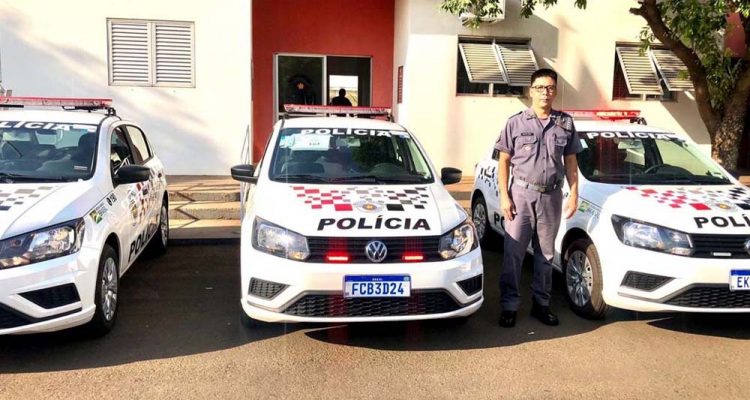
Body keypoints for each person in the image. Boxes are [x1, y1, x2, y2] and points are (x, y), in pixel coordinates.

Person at [495, 68, 582, 328]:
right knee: (513, 253)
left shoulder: (565, 123)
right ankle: (509, 306)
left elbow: (570, 161)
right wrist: (504, 196)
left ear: (555, 91)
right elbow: (504, 161)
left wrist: (574, 193)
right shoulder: (516, 122)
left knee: (545, 254)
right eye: (541, 87)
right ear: (531, 90)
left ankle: (541, 305)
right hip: (521, 195)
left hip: (551, 196)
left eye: (551, 88)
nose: (546, 92)